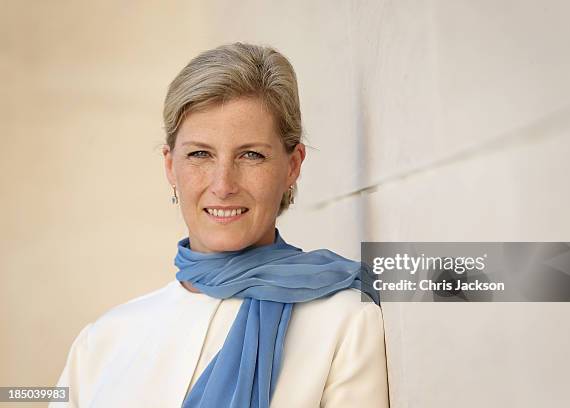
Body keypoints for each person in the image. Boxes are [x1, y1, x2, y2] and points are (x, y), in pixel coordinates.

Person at [52, 42, 389, 408]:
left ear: (292, 166)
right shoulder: (101, 343)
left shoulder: (344, 324)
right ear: (170, 167)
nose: (223, 185)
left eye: (251, 155)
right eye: (200, 154)